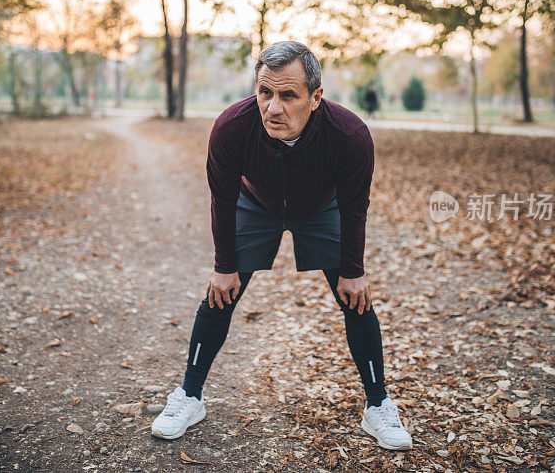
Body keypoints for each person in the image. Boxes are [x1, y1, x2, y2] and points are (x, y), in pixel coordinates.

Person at [151, 41, 412, 451]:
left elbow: (355, 206)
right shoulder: (232, 127)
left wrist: (354, 269)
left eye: (288, 95)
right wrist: (224, 265)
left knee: (356, 298)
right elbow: (221, 199)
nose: (273, 107)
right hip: (256, 203)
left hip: (322, 208)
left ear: (316, 97)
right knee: (220, 292)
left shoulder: (349, 135)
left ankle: (378, 406)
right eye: (264, 92)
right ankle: (189, 396)